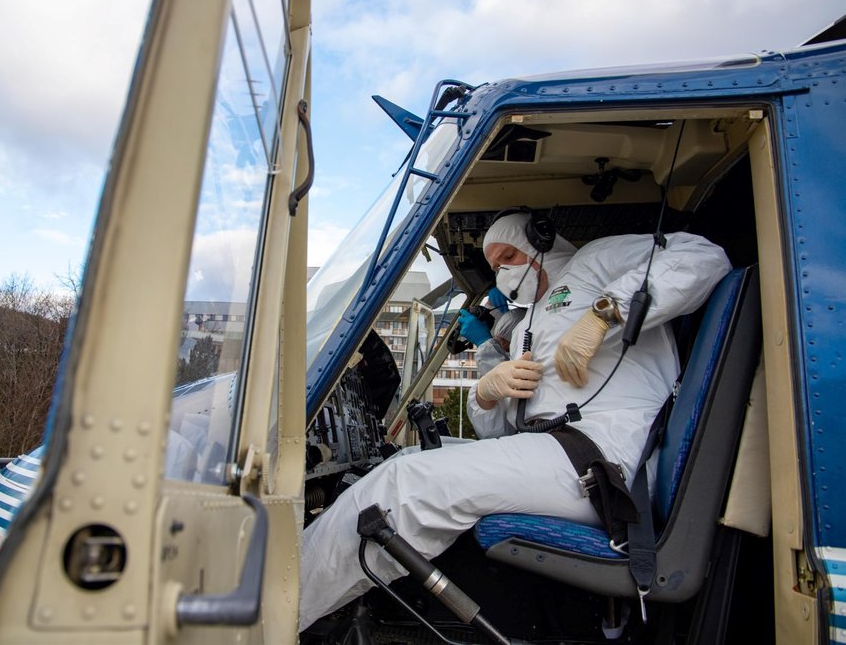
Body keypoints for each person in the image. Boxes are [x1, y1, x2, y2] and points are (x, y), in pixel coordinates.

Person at [298, 213, 730, 631]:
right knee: (410, 456)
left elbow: (703, 257)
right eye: (494, 266)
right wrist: (488, 392)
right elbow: (501, 435)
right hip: (564, 451)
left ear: (538, 240)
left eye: (508, 257)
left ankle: (272, 613)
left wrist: (604, 313)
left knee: (402, 486)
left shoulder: (595, 261)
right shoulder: (529, 323)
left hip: (610, 461)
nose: (502, 271)